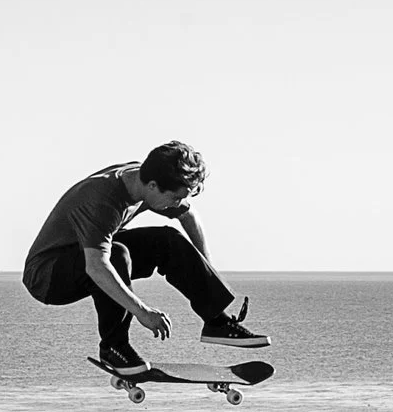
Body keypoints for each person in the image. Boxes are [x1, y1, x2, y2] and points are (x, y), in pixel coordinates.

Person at [22, 141, 269, 372]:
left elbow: (188, 216)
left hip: (87, 255)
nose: (177, 204)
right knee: (116, 256)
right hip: (47, 276)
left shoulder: (148, 177)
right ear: (152, 186)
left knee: (167, 240)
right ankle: (114, 348)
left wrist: (207, 272)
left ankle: (216, 321)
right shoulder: (102, 200)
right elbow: (96, 267)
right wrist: (143, 312)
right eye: (175, 198)